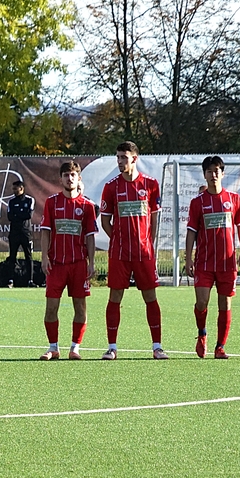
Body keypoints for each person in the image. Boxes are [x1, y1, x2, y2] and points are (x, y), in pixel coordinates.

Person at [99, 141, 167, 360]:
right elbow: (105, 221)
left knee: (150, 297)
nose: (120, 161)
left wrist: (148, 243)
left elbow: (154, 219)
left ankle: (157, 347)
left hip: (143, 253)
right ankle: (112, 347)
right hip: (119, 253)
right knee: (115, 297)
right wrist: (118, 239)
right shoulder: (111, 187)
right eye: (118, 157)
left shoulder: (150, 184)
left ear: (134, 159)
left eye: (124, 157)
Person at [184, 156, 240, 360]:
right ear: (204, 175)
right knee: (201, 302)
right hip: (204, 262)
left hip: (227, 263)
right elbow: (191, 232)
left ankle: (220, 346)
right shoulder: (197, 203)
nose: (213, 175)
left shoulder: (233, 199)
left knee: (225, 304)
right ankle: (202, 333)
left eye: (216, 171)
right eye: (209, 171)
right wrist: (188, 258)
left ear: (222, 173)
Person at [39, 161, 97, 360]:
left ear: (79, 178)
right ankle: (53, 347)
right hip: (56, 264)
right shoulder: (51, 203)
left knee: (80, 307)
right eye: (66, 175)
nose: (69, 178)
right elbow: (45, 232)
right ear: (60, 179)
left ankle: (75, 347)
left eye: (73, 175)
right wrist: (44, 257)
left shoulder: (87, 206)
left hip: (79, 264)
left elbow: (90, 236)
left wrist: (91, 262)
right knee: (51, 307)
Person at [4, 180, 35, 287]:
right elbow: (10, 217)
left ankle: (30, 280)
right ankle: (11, 280)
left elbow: (28, 215)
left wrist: (17, 215)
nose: (13, 191)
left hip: (26, 233)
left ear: (21, 188)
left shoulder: (30, 200)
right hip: (14, 233)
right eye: (13, 189)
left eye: (15, 188)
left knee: (28, 256)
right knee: (12, 256)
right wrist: (20, 214)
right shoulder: (11, 202)